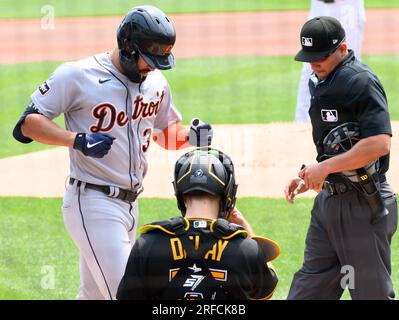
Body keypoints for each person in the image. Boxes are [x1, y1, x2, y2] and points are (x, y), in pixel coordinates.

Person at [12, 5, 213, 300]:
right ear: (129, 48)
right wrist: (76, 139)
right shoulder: (78, 75)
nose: (154, 68)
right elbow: (28, 124)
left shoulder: (156, 83)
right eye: (149, 60)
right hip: (92, 201)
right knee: (129, 293)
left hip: (130, 205)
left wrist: (191, 136)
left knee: (93, 295)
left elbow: (164, 132)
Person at [285, 16, 397, 300]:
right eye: (309, 57)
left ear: (343, 48)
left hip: (362, 204)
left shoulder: (360, 81)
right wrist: (311, 175)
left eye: (320, 56)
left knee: (370, 294)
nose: (313, 63)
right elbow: (335, 145)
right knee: (307, 292)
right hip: (329, 205)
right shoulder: (321, 81)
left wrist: (324, 168)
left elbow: (380, 143)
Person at [116, 147, 280, 300]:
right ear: (227, 194)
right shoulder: (245, 249)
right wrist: (246, 229)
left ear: (181, 194)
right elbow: (268, 288)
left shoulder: (148, 244)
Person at [296, 0, 366, 122]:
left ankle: (351, 118)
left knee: (348, 62)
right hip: (320, 5)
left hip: (347, 6)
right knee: (310, 67)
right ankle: (302, 123)